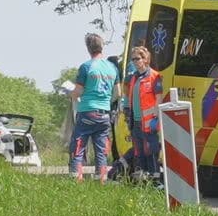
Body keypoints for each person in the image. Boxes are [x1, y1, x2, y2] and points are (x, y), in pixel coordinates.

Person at [69, 32, 119, 182]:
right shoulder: (112, 68)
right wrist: (105, 102)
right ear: (102, 47)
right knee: (101, 150)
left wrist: (70, 94)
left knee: (78, 146)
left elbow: (78, 91)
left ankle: (76, 179)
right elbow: (118, 93)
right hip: (104, 114)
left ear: (88, 48)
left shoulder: (86, 67)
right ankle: (101, 179)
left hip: (86, 112)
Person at [121, 45, 164, 183]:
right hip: (136, 123)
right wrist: (127, 114)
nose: (134, 61)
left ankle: (156, 183)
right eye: (133, 59)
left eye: (137, 58)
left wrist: (156, 119)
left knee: (151, 153)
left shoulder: (154, 77)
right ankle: (142, 183)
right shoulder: (134, 78)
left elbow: (158, 99)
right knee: (138, 154)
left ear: (145, 59)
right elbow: (129, 98)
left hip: (149, 124)